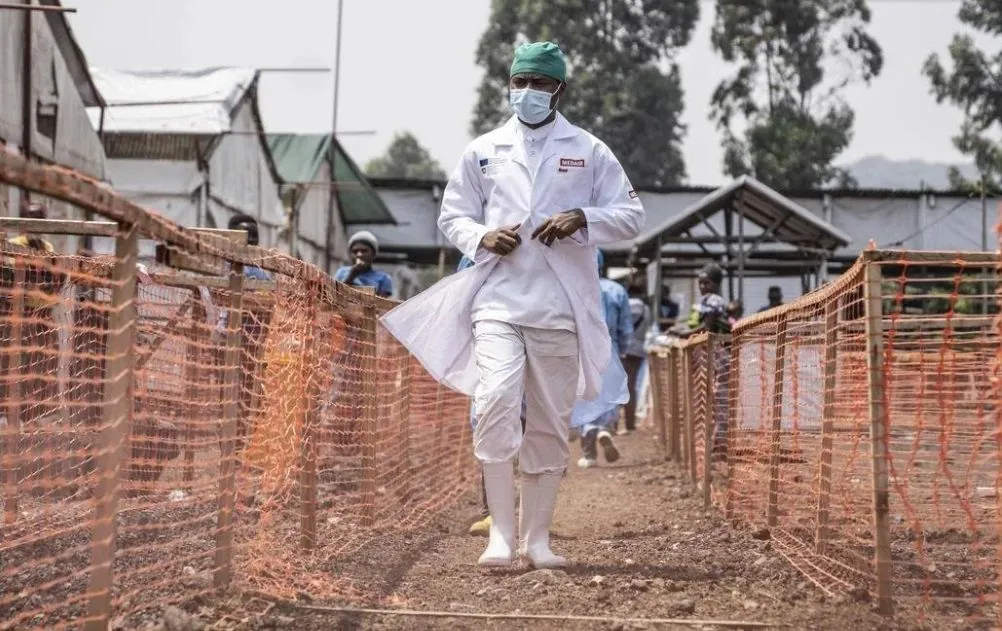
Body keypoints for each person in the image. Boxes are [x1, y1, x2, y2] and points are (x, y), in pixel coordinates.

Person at [379, 41, 644, 569]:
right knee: (496, 401)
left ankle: (537, 540)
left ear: (558, 90)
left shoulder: (589, 150)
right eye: (518, 81)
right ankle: (500, 535)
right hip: (497, 302)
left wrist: (583, 218)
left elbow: (631, 215)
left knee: (549, 420)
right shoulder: (483, 150)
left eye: (538, 83)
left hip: (562, 309)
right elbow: (452, 215)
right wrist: (480, 237)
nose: (526, 92)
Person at [457, 255, 527, 538]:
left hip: (535, 343)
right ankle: (495, 515)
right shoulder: (474, 253)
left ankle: (530, 515)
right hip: (490, 348)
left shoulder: (543, 246)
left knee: (528, 427)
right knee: (487, 419)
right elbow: (460, 299)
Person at [575, 251, 629, 468]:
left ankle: (589, 453)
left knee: (585, 395)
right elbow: (626, 326)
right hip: (610, 345)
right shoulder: (616, 290)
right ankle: (605, 430)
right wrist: (622, 349)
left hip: (583, 347)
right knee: (608, 392)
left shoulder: (575, 288)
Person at [622, 283, 652, 434]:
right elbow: (648, 328)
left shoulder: (627, 304)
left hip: (625, 348)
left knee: (623, 385)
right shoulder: (646, 309)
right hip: (640, 350)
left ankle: (620, 424)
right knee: (632, 385)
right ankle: (630, 423)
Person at [335, 231, 393, 298]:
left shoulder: (384, 278)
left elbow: (382, 305)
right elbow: (335, 296)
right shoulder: (342, 272)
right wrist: (351, 276)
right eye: (355, 251)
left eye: (364, 251)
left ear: (373, 254)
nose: (359, 255)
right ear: (350, 255)